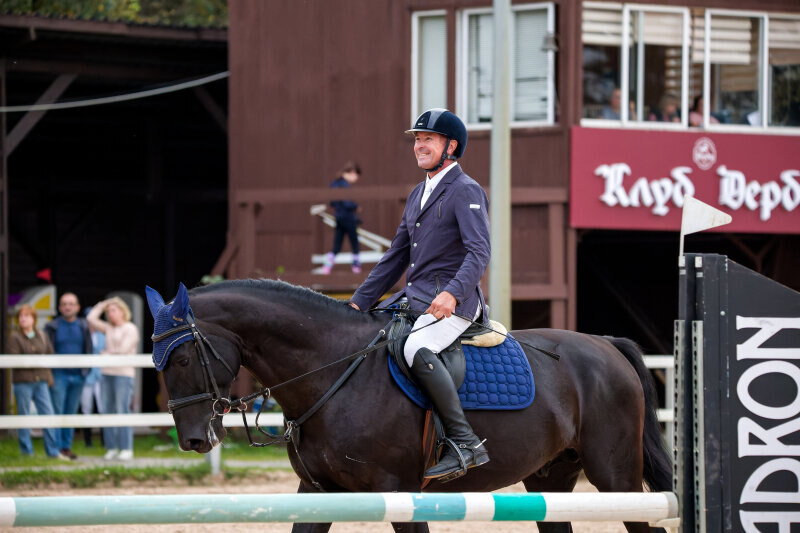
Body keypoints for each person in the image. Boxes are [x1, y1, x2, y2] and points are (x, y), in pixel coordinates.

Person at [349, 108, 491, 481]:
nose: (419, 145)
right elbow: (396, 256)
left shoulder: (466, 190)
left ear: (451, 146)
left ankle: (464, 442)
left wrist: (452, 294)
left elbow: (479, 252)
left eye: (427, 138)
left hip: (455, 305)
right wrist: (358, 303)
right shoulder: (417, 194)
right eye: (416, 139)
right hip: (416, 300)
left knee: (415, 348)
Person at [8, 305, 68, 461]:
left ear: (33, 318)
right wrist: (37, 361)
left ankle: (53, 451)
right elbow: (15, 358)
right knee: (24, 417)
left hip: (41, 381)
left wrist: (48, 376)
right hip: (23, 382)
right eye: (21, 316)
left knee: (48, 415)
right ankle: (27, 452)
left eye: (27, 316)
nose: (23, 319)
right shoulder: (14, 337)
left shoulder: (42, 335)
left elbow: (49, 355)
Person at [87, 297, 139, 461]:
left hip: (123, 374)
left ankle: (126, 448)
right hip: (106, 373)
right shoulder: (108, 328)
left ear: (123, 311)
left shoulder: (130, 328)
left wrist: (106, 353)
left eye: (113, 310)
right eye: (108, 311)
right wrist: (103, 304)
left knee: (122, 409)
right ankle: (111, 447)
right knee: (107, 410)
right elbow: (91, 318)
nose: (110, 314)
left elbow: (124, 350)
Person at [44, 292, 93, 460]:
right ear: (59, 308)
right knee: (56, 413)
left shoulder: (83, 326)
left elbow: (89, 349)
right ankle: (55, 450)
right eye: (64, 304)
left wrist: (86, 371)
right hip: (58, 376)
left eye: (71, 304)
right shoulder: (52, 326)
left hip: (78, 376)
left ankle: (66, 448)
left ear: (77, 307)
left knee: (70, 413)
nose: (67, 306)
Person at [321, 161, 362, 274]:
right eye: (356, 176)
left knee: (337, 246)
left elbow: (332, 202)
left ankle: (326, 267)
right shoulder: (345, 186)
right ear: (352, 173)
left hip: (338, 217)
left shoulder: (334, 184)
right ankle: (356, 269)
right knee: (355, 244)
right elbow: (347, 203)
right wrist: (356, 206)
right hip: (348, 217)